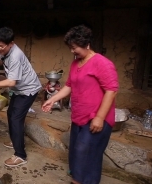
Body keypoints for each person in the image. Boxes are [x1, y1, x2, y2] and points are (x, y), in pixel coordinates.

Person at [41, 25, 118, 184]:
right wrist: (53, 99)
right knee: (77, 153)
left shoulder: (102, 63)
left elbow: (112, 90)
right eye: (70, 48)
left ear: (87, 44)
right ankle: (77, 180)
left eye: (74, 48)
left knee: (87, 153)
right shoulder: (75, 63)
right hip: (79, 117)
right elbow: (69, 86)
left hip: (96, 118)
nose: (72, 51)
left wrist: (99, 118)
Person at [0, 27, 42, 167]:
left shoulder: (15, 55)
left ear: (11, 44)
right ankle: (16, 140)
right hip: (19, 90)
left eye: (2, 46)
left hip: (28, 90)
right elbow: (0, 62)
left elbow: (11, 82)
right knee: (10, 113)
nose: (0, 48)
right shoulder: (4, 51)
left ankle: (20, 155)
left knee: (15, 118)